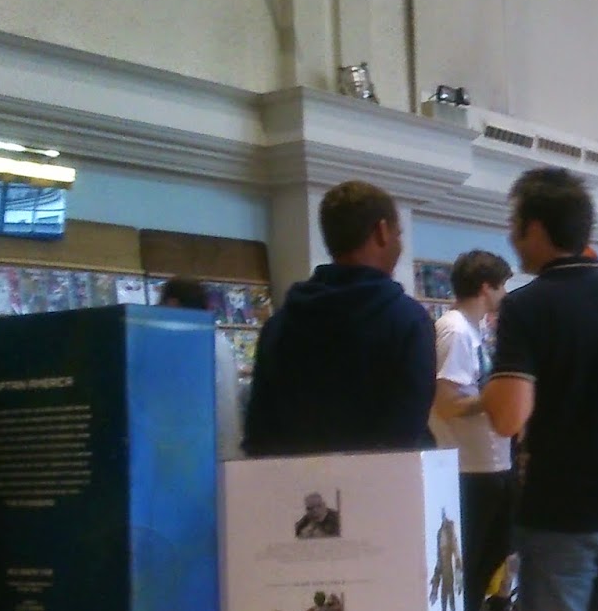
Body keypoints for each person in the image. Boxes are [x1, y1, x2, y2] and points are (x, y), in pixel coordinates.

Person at [480, 167, 598, 611]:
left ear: (535, 228)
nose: (512, 238)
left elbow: (508, 418)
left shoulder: (525, 305)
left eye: (514, 226)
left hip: (563, 514)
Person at [244, 180, 436, 456]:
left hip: (297, 480)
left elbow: (259, 434)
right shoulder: (408, 321)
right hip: (380, 480)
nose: (399, 244)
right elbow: (406, 435)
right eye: (398, 234)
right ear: (381, 231)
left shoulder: (279, 325)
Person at [428, 249, 517, 611]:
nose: (504, 295)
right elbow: (447, 403)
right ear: (485, 287)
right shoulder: (455, 331)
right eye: (502, 286)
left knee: (493, 555)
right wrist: (498, 398)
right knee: (473, 562)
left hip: (487, 465)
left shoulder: (472, 330)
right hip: (469, 469)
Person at [158, 276, 243, 461]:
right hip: (229, 454)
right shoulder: (219, 341)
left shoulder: (184, 344)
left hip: (199, 459)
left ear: (172, 304)